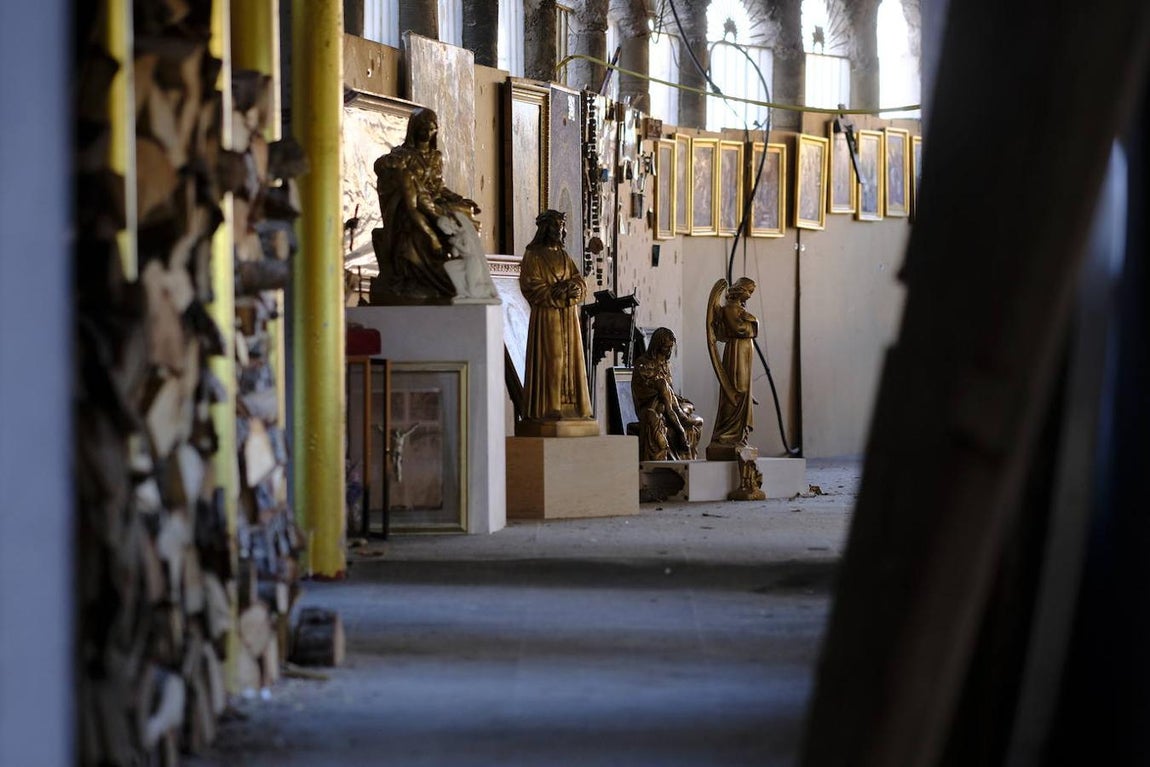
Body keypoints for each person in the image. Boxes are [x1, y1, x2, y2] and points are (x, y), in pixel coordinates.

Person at [371, 107, 481, 301]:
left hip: (434, 200)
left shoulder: (435, 157)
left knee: (466, 213)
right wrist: (392, 164)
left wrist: (458, 199)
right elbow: (381, 166)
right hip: (409, 205)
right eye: (424, 128)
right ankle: (431, 273)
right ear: (415, 129)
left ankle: (461, 272)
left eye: (432, 129)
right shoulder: (403, 154)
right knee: (423, 220)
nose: (428, 133)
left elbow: (439, 187)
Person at [517, 210, 597, 436]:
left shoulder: (564, 256)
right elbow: (530, 285)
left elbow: (579, 280)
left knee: (571, 362)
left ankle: (575, 408)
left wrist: (575, 288)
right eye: (557, 226)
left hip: (568, 317)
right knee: (553, 359)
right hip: (548, 317)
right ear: (547, 229)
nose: (562, 231)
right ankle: (549, 406)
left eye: (563, 226)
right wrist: (556, 293)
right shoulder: (533, 255)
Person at [705, 277, 759, 460]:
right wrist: (752, 320)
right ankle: (726, 434)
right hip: (736, 352)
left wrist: (750, 319)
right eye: (748, 291)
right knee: (737, 390)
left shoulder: (740, 310)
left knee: (744, 391)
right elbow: (739, 329)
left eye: (751, 292)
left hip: (745, 352)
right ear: (739, 290)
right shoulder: (729, 309)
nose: (749, 295)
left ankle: (739, 435)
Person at [631, 327, 703, 461]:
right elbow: (643, 392)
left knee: (690, 410)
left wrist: (678, 401)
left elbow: (670, 393)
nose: (669, 351)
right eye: (666, 347)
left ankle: (687, 453)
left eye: (671, 347)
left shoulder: (666, 365)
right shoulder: (644, 365)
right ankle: (681, 433)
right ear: (657, 346)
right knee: (686, 419)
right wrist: (681, 430)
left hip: (669, 404)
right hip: (652, 407)